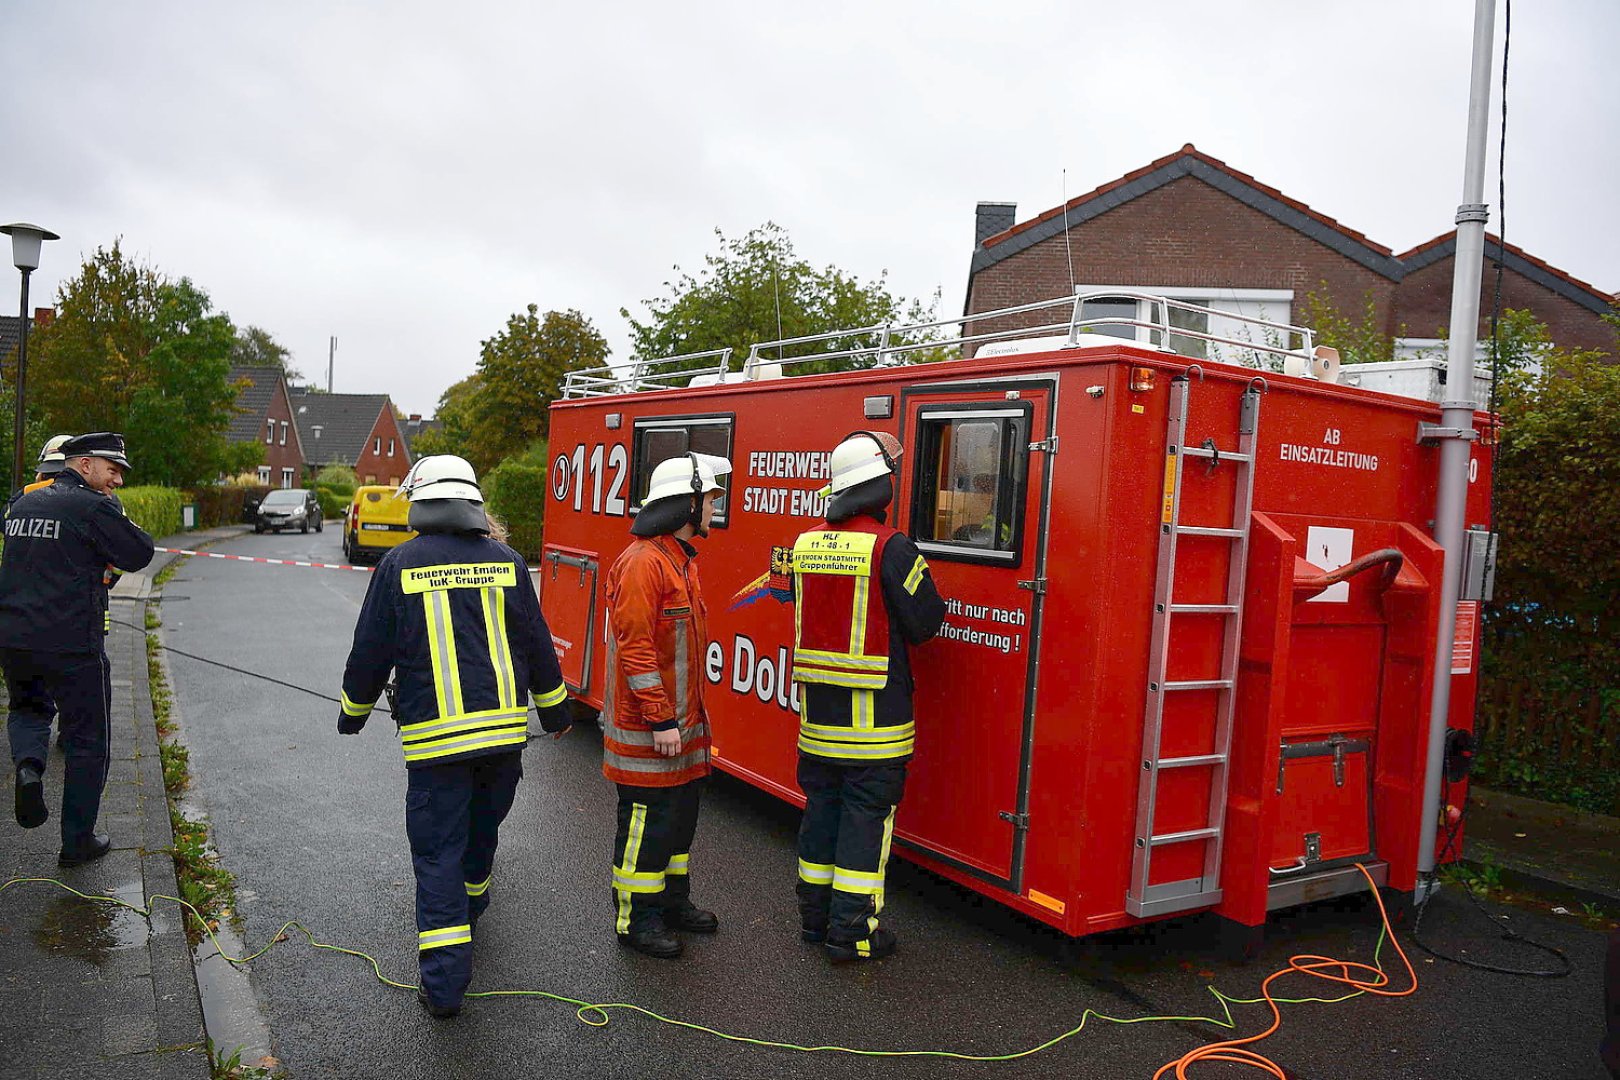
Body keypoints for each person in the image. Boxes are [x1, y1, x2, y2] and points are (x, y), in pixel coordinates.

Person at [337, 455, 571, 1018]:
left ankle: (444, 987)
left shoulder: (397, 566)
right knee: (480, 829)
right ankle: (470, 909)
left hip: (436, 749)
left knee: (438, 854)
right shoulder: (510, 563)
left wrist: (353, 711)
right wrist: (558, 713)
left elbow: (371, 651)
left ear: (419, 502)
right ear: (473, 503)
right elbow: (538, 644)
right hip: (503, 743)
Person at [790, 431, 945, 962]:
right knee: (864, 824)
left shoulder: (805, 543)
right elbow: (926, 621)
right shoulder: (891, 547)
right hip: (874, 727)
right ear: (880, 487)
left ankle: (815, 921)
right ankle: (852, 932)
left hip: (817, 722)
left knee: (822, 814)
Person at [0, 432, 154, 866]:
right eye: (113, 469)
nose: (118, 480)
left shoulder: (22, 504)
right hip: (71, 643)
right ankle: (77, 840)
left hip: (14, 637)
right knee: (88, 740)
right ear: (84, 464)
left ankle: (29, 769)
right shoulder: (91, 506)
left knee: (28, 710)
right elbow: (140, 552)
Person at [602, 452, 730, 959]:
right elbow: (636, 649)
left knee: (678, 821)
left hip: (682, 726)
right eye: (711, 498)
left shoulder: (677, 560)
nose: (716, 507)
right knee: (645, 824)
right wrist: (660, 717)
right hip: (652, 730)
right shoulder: (642, 564)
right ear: (686, 503)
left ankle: (672, 903)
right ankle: (637, 919)